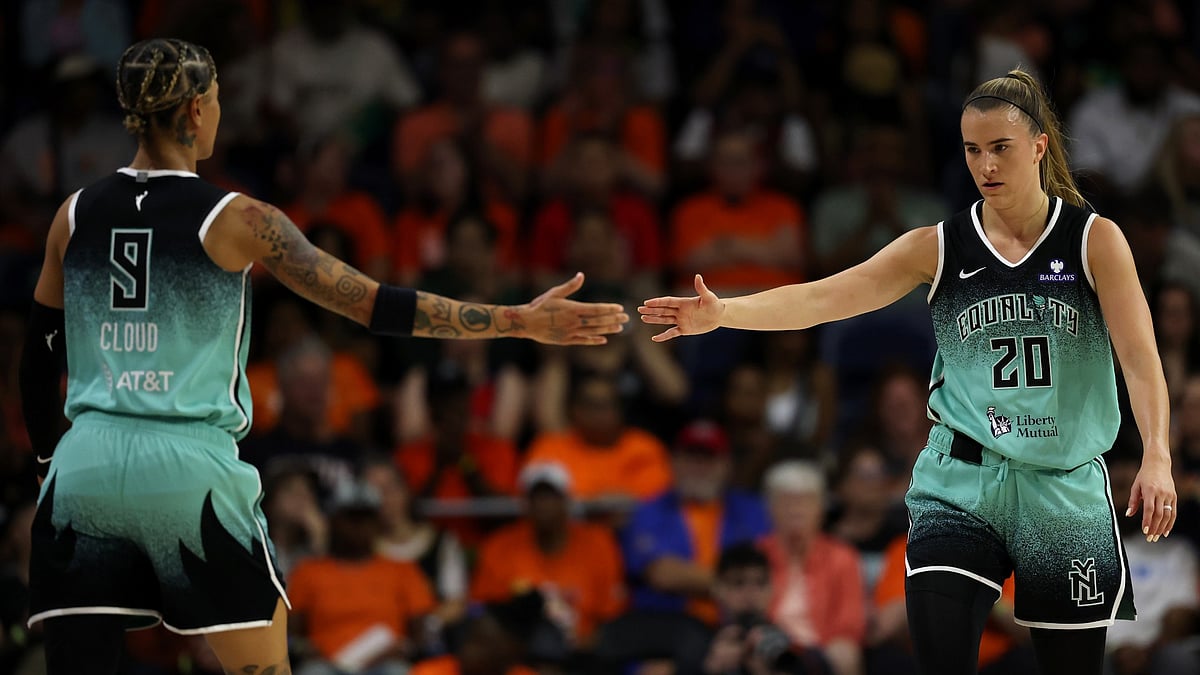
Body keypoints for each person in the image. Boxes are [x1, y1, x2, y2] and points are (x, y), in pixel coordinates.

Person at [17, 38, 628, 675]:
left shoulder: (72, 215)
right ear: (196, 110)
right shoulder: (237, 218)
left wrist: (49, 467)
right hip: (186, 467)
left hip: (84, 465)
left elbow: (37, 361)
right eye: (218, 100)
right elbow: (372, 304)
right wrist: (516, 321)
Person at [639, 68, 1177, 675]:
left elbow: (1140, 359)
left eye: (1000, 148)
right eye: (972, 150)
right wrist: (726, 314)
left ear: (1038, 146)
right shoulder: (940, 245)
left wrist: (1157, 455)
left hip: (1063, 482)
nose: (985, 165)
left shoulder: (1093, 240)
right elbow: (826, 297)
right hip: (962, 479)